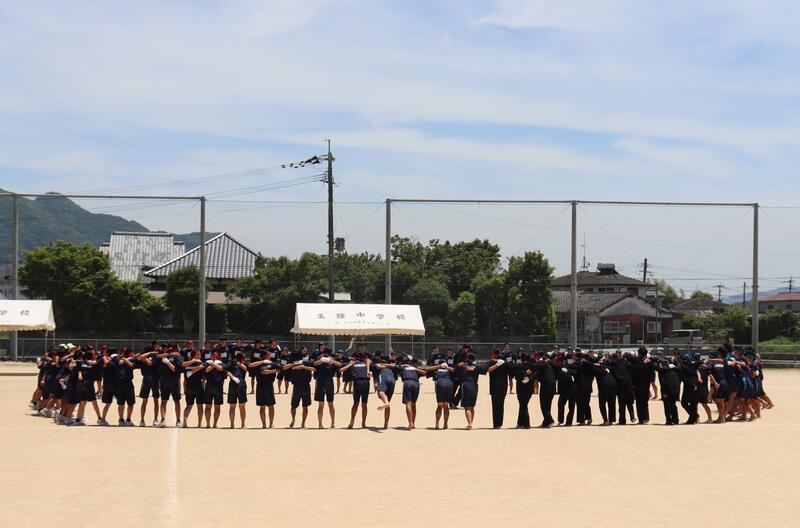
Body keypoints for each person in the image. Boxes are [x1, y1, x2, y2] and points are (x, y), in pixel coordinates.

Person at [341, 346, 372, 429]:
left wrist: (350, 363)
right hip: (363, 383)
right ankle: (359, 422)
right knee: (362, 404)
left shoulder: (358, 363)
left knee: (358, 404)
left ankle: (356, 421)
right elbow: (369, 360)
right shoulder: (363, 363)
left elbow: (341, 369)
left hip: (359, 383)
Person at [284, 348, 315, 428]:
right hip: (296, 386)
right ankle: (293, 419)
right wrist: (293, 364)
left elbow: (314, 369)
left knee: (305, 406)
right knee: (294, 406)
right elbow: (284, 368)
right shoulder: (292, 363)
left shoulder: (305, 362)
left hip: (305, 385)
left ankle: (303, 423)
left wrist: (304, 367)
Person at [249, 354, 280, 428]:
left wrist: (270, 371)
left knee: (270, 406)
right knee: (262, 407)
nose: (269, 356)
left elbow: (281, 368)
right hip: (261, 386)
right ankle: (264, 424)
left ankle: (270, 424)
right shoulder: (258, 364)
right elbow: (250, 365)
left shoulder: (271, 363)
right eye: (268, 355)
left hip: (269, 385)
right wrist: (262, 361)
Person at [457, 351, 486, 430]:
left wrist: (461, 364)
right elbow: (485, 370)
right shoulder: (477, 367)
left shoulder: (463, 366)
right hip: (474, 385)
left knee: (467, 407)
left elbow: (455, 369)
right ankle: (471, 423)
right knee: (472, 406)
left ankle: (469, 423)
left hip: (466, 385)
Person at [313, 348, 341, 428]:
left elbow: (339, 364)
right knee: (321, 404)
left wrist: (330, 360)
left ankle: (332, 423)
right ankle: (320, 424)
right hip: (320, 381)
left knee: (330, 403)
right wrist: (322, 360)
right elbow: (315, 363)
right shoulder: (320, 357)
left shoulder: (331, 359)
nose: (325, 355)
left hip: (328, 381)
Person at [157, 344, 183, 428]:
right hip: (164, 381)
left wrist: (168, 362)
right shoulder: (163, 357)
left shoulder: (176, 357)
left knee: (176, 401)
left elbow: (176, 369)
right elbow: (157, 357)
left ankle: (178, 420)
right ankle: (163, 419)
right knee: (164, 400)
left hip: (173, 380)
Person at [136, 342, 161, 427]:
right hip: (146, 378)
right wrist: (148, 354)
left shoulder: (155, 356)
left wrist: (144, 357)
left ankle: (155, 419)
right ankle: (142, 420)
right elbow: (139, 357)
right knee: (145, 400)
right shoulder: (148, 355)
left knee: (156, 400)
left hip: (154, 378)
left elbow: (150, 363)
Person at [399, 355, 426, 430]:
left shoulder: (403, 368)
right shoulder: (415, 368)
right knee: (413, 404)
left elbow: (395, 367)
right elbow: (425, 372)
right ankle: (413, 423)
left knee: (408, 403)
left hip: (407, 382)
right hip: (416, 383)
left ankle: (410, 423)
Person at [530, 351, 556, 428]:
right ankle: (546, 422)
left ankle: (550, 420)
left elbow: (534, 366)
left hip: (546, 385)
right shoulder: (549, 363)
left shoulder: (542, 362)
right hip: (553, 385)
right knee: (548, 404)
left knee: (543, 404)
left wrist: (531, 361)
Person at [427, 359, 455, 430]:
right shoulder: (449, 371)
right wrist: (447, 367)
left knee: (439, 405)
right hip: (449, 384)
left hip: (440, 383)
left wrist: (438, 366)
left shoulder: (436, 370)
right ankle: (445, 424)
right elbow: (456, 370)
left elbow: (428, 369)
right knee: (446, 405)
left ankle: (437, 424)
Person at [610, 350, 635, 425]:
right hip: (626, 385)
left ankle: (625, 419)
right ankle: (628, 418)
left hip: (623, 385)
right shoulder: (626, 363)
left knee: (623, 404)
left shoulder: (616, 364)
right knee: (627, 403)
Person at [181, 351, 206, 428]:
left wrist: (184, 389)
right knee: (200, 406)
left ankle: (185, 420)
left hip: (189, 386)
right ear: (195, 355)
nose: (200, 355)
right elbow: (204, 378)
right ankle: (199, 423)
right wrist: (203, 386)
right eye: (199, 354)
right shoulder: (201, 364)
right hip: (198, 386)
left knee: (188, 406)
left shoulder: (187, 364)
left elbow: (185, 379)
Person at [375, 354, 398, 429]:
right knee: (387, 403)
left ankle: (386, 402)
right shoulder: (391, 368)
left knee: (381, 392)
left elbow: (377, 367)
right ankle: (386, 424)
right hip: (392, 380)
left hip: (384, 377)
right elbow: (394, 367)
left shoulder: (379, 366)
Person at [203, 353, 226, 428]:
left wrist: (213, 364)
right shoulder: (208, 363)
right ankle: (210, 424)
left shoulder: (220, 364)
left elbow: (221, 369)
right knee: (210, 406)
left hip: (215, 386)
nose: (213, 358)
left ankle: (213, 424)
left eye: (214, 357)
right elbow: (206, 370)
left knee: (215, 407)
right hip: (212, 386)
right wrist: (213, 364)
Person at [555, 350, 577, 426]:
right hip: (565, 389)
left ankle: (568, 422)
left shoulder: (567, 366)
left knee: (570, 406)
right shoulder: (559, 367)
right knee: (561, 405)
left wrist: (567, 371)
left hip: (570, 389)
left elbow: (575, 372)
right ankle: (561, 421)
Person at [226, 352, 248, 428]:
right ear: (242, 358)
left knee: (232, 406)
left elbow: (225, 369)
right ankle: (242, 424)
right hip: (241, 385)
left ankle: (232, 425)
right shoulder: (240, 364)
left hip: (232, 384)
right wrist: (239, 364)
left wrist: (238, 364)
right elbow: (246, 369)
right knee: (242, 406)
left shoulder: (232, 363)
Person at [487, 349, 508, 429]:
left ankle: (496, 424)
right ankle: (499, 424)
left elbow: (487, 370)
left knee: (495, 405)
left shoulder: (492, 362)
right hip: (503, 386)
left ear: (495, 354)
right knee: (501, 405)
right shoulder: (504, 362)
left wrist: (496, 365)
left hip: (495, 386)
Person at [116, 348, 137, 426]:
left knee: (123, 403)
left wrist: (125, 358)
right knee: (128, 403)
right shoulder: (128, 359)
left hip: (121, 383)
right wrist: (129, 358)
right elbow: (130, 364)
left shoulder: (119, 358)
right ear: (130, 353)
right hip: (126, 383)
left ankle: (123, 420)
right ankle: (125, 420)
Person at [595, 353, 618, 426]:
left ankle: (605, 420)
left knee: (602, 404)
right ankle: (611, 420)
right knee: (611, 403)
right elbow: (614, 363)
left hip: (604, 386)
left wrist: (598, 363)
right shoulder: (609, 366)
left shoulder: (596, 368)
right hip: (613, 385)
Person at [514, 352, 534, 428]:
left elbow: (516, 375)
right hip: (529, 389)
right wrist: (526, 373)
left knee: (523, 405)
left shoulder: (520, 366)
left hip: (521, 389)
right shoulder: (532, 366)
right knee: (523, 405)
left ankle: (527, 424)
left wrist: (525, 374)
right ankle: (520, 422)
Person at [576, 348, 595, 425]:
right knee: (586, 403)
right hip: (588, 387)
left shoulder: (579, 365)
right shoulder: (589, 365)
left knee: (580, 403)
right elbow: (592, 365)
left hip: (581, 387)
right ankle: (589, 418)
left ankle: (582, 420)